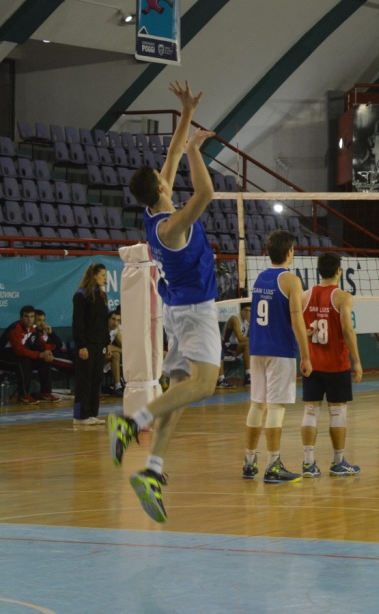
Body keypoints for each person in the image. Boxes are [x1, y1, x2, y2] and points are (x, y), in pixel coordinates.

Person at [109, 81, 221, 524]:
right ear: (158, 188)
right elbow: (206, 194)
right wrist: (196, 150)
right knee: (204, 385)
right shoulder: (173, 227)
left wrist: (186, 113)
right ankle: (132, 421)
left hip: (177, 309)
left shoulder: (154, 215)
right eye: (161, 175)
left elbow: (171, 155)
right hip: (195, 311)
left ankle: (152, 470)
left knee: (177, 395)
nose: (165, 171)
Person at [242, 229, 313, 484]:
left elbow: (271, 316)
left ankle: (249, 462)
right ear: (290, 252)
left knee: (257, 405)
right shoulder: (291, 281)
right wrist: (306, 356)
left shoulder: (260, 278)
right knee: (275, 408)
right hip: (280, 351)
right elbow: (296, 321)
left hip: (258, 348)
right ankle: (273, 465)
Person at [299, 251, 362, 477]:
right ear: (339, 271)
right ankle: (338, 462)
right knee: (337, 412)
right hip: (336, 364)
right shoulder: (343, 297)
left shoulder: (305, 296)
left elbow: (297, 327)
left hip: (313, 364)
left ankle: (308, 463)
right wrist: (357, 361)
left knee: (310, 411)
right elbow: (347, 330)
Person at [72, 267, 110, 424]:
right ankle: (80, 416)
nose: (105, 279)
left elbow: (103, 322)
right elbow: (78, 322)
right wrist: (81, 345)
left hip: (100, 344)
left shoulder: (102, 295)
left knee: (96, 378)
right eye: (102, 275)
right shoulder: (81, 295)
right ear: (94, 276)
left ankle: (92, 414)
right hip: (86, 344)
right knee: (84, 380)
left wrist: (107, 342)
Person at [1, 305, 57, 404]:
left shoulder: (33, 329)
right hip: (4, 357)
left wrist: (45, 353)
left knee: (44, 360)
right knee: (23, 360)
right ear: (21, 318)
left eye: (32, 317)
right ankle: (24, 395)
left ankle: (45, 392)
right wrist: (39, 355)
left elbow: (36, 344)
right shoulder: (15, 329)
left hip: (18, 356)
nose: (29, 319)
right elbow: (19, 350)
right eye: (26, 316)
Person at [218, 303, 250, 388]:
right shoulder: (234, 318)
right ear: (241, 310)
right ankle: (221, 380)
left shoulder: (247, 322)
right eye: (245, 310)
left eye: (249, 311)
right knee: (249, 345)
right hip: (225, 347)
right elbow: (240, 338)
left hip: (235, 348)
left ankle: (248, 377)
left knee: (251, 346)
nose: (247, 313)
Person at [104, 309, 125, 396]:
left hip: (105, 356)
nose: (115, 323)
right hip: (94, 357)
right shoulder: (101, 328)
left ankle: (119, 386)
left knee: (117, 354)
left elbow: (124, 346)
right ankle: (118, 385)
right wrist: (122, 350)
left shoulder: (115, 330)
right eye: (113, 319)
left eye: (118, 320)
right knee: (116, 354)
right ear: (108, 319)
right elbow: (106, 346)